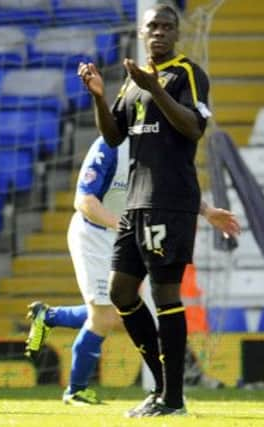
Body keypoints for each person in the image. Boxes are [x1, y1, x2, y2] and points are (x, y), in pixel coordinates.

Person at [76, 3, 218, 417]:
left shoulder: (187, 74)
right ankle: (161, 389)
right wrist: (101, 98)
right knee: (121, 291)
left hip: (170, 200)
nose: (158, 32)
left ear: (177, 32)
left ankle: (173, 399)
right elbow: (114, 136)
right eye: (152, 26)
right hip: (135, 205)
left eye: (166, 26)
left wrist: (155, 87)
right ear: (141, 32)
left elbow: (193, 127)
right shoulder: (132, 82)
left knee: (165, 294)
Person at [24, 136, 239, 406]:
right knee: (103, 317)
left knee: (116, 310)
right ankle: (75, 390)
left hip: (125, 235)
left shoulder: (156, 146)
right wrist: (124, 226)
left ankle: (49, 316)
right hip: (94, 233)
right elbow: (85, 202)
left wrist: (206, 211)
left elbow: (172, 187)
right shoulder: (109, 146)